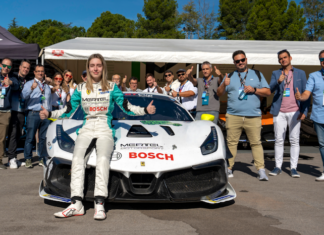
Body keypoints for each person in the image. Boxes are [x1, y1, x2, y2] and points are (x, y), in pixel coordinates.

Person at [39, 53, 156, 220]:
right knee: (77, 159)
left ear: (103, 68)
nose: (95, 68)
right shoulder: (80, 88)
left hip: (104, 127)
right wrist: (49, 113)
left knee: (102, 159)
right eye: (92, 65)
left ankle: (99, 203)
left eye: (98, 65)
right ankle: (76, 203)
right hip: (86, 127)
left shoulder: (111, 87)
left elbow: (126, 107)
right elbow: (68, 111)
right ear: (88, 68)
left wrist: (145, 110)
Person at [217, 50, 271, 180]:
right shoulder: (229, 76)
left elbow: (268, 92)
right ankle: (229, 168)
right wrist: (224, 83)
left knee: (256, 143)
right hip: (233, 116)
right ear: (234, 63)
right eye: (237, 61)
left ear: (246, 60)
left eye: (242, 60)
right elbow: (218, 93)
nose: (240, 63)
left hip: (253, 115)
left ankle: (261, 170)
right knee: (231, 143)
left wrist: (255, 90)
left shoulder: (257, 74)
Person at [269, 49, 310, 178]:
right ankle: (277, 166)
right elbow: (269, 90)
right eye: (280, 58)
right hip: (279, 111)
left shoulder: (300, 73)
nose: (283, 60)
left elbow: (306, 94)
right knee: (279, 140)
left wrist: (304, 111)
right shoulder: (276, 73)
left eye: (285, 57)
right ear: (279, 61)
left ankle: (293, 168)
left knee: (294, 140)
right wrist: (278, 82)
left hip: (295, 111)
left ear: (290, 58)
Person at [295, 49, 324, 181]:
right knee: (323, 145)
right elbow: (307, 93)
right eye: (322, 59)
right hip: (319, 115)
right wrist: (301, 97)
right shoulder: (313, 76)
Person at [21, 65, 52, 168]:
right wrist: (31, 88)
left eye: (42, 71)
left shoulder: (46, 85)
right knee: (30, 137)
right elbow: (23, 96)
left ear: (44, 73)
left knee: (43, 138)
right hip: (33, 113)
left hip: (45, 114)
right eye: (38, 71)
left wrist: (49, 112)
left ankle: (42, 158)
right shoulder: (29, 83)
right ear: (34, 72)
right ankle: (28, 159)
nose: (40, 73)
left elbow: (48, 100)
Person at [7, 59, 32, 169]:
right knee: (13, 133)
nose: (26, 69)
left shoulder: (28, 80)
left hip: (22, 110)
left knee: (18, 135)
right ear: (20, 67)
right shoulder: (13, 76)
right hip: (12, 109)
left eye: (28, 68)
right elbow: (15, 85)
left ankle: (13, 157)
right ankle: (11, 158)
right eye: (24, 67)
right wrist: (12, 83)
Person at [0, 58, 19, 169]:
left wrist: (10, 82)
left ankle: (0, 159)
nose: (6, 68)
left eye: (9, 66)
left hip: (5, 111)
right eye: (4, 65)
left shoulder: (12, 78)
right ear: (0, 65)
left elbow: (17, 86)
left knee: (1, 138)